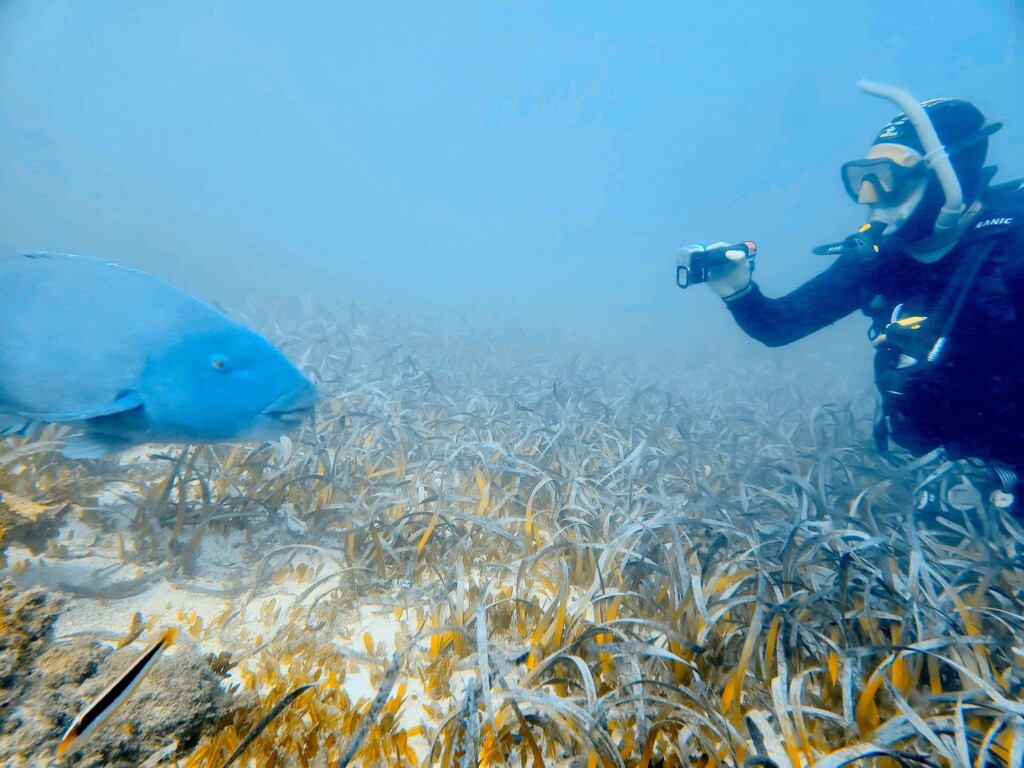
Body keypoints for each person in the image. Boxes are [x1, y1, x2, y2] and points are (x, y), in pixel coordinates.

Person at [681, 83, 1024, 516]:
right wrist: (738, 290)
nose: (870, 200)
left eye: (887, 181)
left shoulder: (1013, 245)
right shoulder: (881, 259)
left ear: (948, 176)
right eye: (863, 180)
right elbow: (779, 326)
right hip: (948, 477)